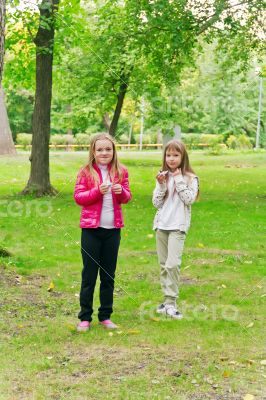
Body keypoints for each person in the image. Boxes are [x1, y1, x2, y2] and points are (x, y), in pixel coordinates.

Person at [74, 133, 132, 331]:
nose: (104, 153)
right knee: (89, 274)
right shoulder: (85, 172)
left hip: (112, 231)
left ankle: (105, 316)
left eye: (108, 149)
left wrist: (121, 192)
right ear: (93, 151)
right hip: (91, 230)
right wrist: (98, 190)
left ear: (114, 151)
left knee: (108, 275)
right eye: (100, 150)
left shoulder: (121, 171)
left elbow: (127, 197)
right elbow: (79, 197)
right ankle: (85, 317)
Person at [152, 140, 199, 319]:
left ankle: (172, 303)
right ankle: (166, 301)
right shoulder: (162, 176)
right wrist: (162, 185)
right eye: (168, 155)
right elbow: (156, 203)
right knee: (164, 265)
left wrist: (178, 179)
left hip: (177, 227)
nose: (171, 159)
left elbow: (189, 199)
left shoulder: (190, 178)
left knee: (173, 264)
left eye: (176, 155)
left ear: (183, 157)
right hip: (162, 225)